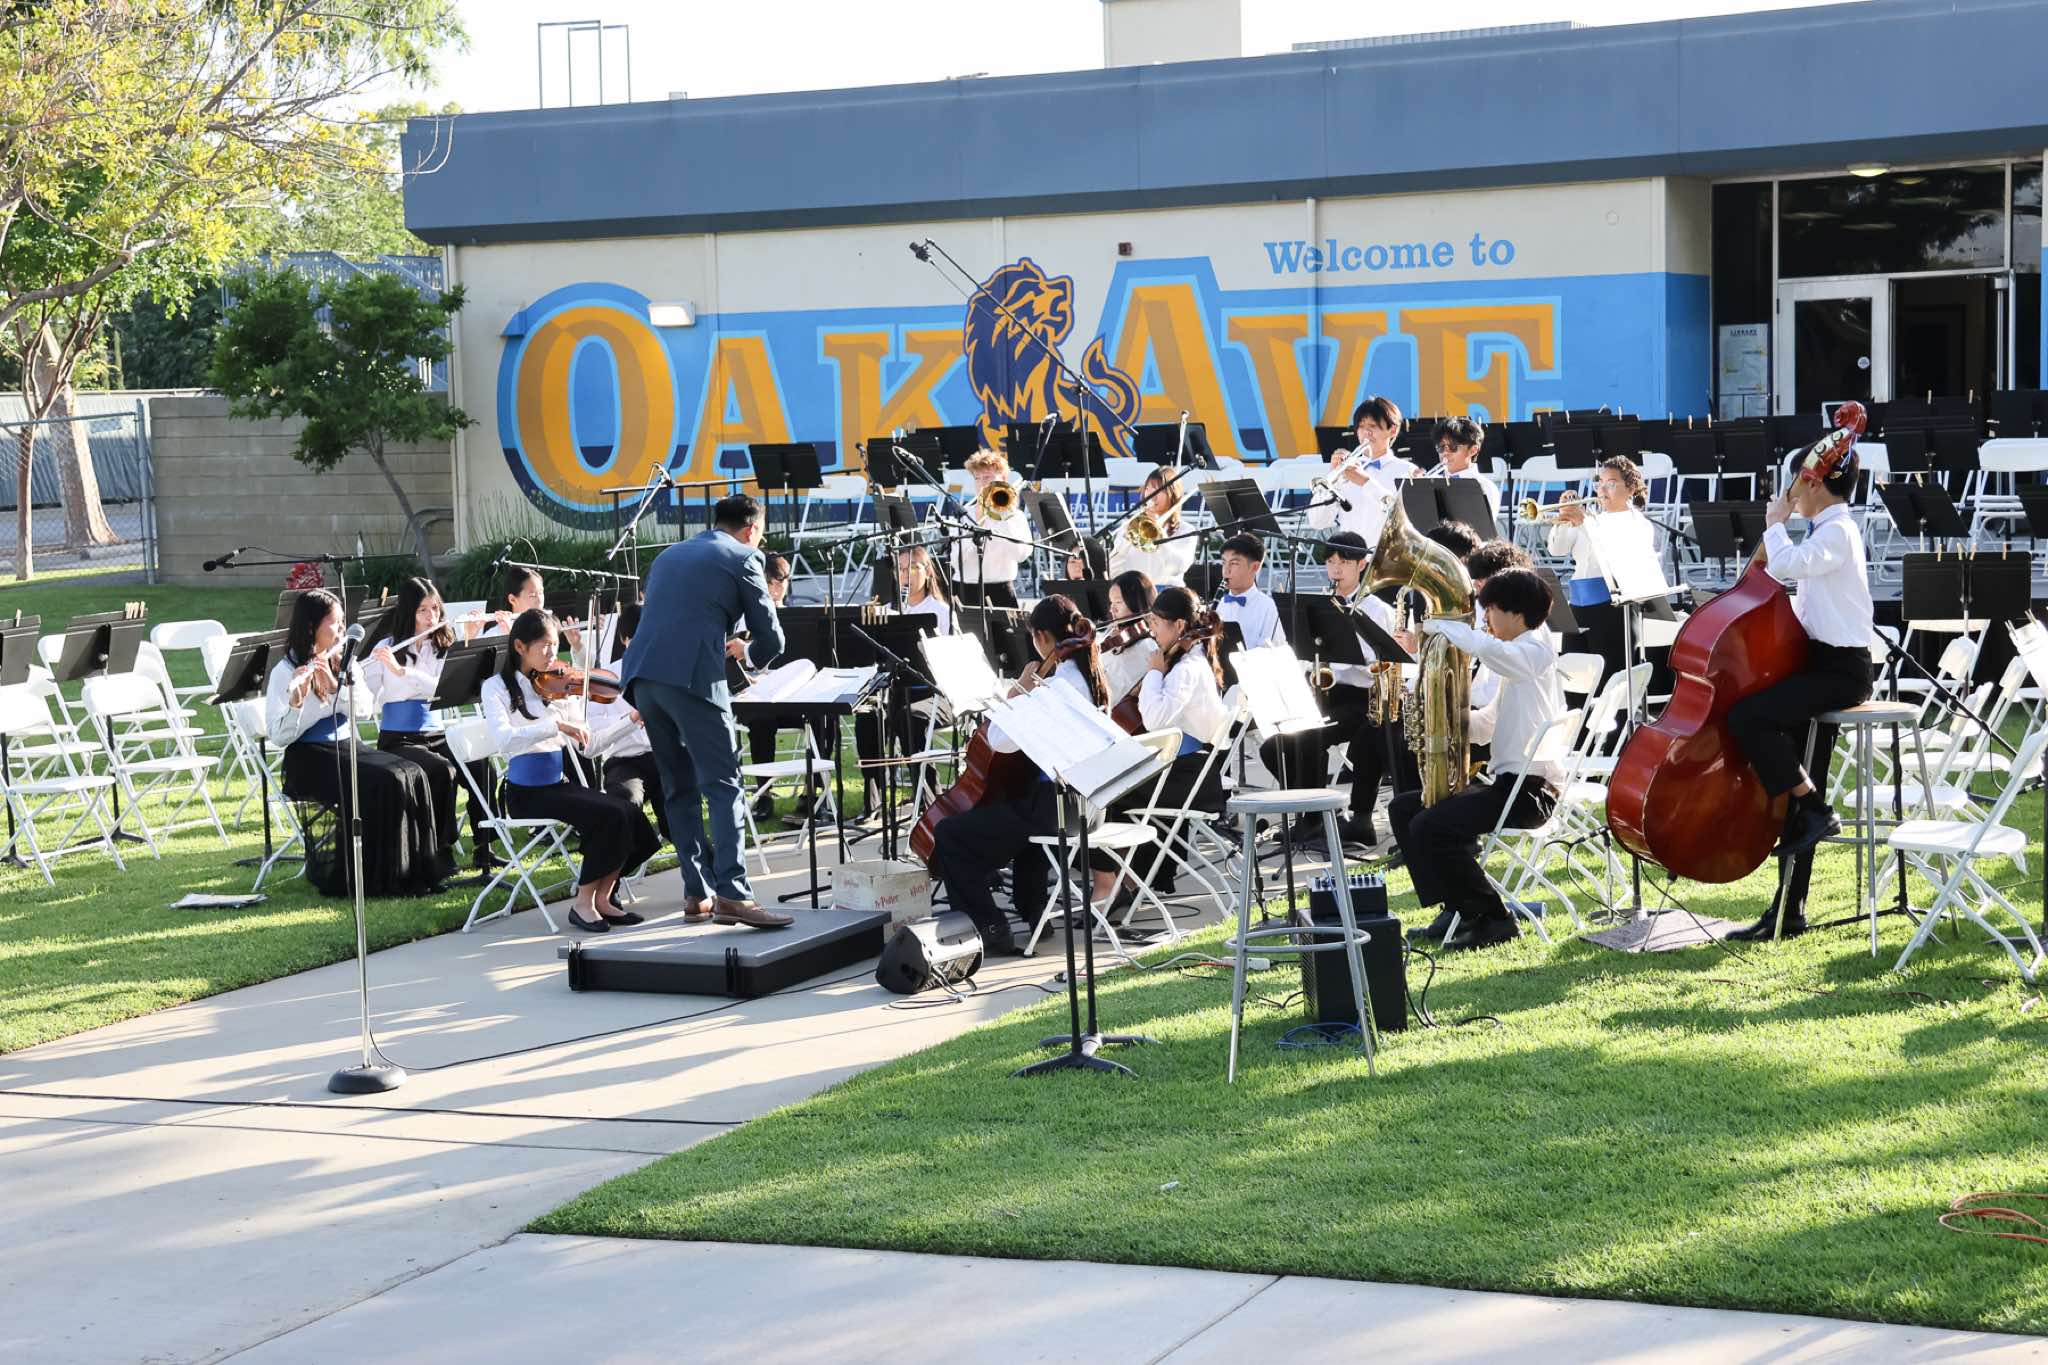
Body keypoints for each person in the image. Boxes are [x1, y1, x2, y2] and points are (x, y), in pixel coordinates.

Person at [619, 493, 793, 930]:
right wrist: (748, 655)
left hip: (643, 679)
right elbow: (773, 639)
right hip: (692, 678)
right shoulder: (745, 557)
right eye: (761, 534)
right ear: (752, 530)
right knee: (723, 784)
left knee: (678, 787)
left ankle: (696, 893)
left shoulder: (669, 555)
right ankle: (733, 894)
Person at [1723, 449, 1872, 942]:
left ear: (1813, 484)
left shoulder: (1837, 531)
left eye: (1794, 485)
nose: (1790, 495)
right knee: (1797, 782)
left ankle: (1816, 808)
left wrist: (1774, 523)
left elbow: (1787, 565)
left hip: (1841, 671)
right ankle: (1789, 910)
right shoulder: (1824, 531)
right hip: (1815, 664)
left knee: (1749, 718)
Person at [1392, 568, 1565, 951]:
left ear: (1515, 612)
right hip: (1512, 787)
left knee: (1430, 825)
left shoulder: (1533, 650)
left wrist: (1442, 627)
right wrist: (1439, 716)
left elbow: (1491, 650)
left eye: (1490, 610)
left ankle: (1494, 919)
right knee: (1405, 809)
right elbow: (1486, 727)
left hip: (1529, 794)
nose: (1486, 619)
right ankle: (1457, 908)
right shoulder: (1520, 655)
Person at [930, 594, 1110, 956]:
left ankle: (989, 926)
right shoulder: (1092, 676)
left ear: (1041, 637)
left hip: (1058, 811)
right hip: (1091, 804)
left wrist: (1018, 691)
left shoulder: (1055, 687)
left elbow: (1000, 740)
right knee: (1021, 811)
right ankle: (1035, 911)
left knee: (949, 833)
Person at [482, 610, 659, 934]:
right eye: (544, 646)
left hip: (557, 783)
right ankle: (582, 903)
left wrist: (631, 720)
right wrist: (555, 725)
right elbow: (504, 739)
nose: (552, 654)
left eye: (555, 645)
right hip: (526, 793)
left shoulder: (560, 688)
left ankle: (603, 898)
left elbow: (590, 747)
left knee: (627, 811)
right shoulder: (496, 688)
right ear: (520, 646)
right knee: (607, 816)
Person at [265, 589, 447, 897]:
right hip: (309, 756)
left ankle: (415, 871)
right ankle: (378, 878)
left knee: (412, 772)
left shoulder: (345, 661)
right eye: (335, 623)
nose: (341, 630)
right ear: (311, 626)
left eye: (342, 622)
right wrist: (298, 704)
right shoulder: (284, 671)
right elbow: (280, 736)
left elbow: (363, 709)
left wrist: (336, 689)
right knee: (386, 780)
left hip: (347, 745)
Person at [1090, 586, 1230, 906]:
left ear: (1179, 626)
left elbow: (1154, 720)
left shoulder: (1187, 668)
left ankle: (1109, 883)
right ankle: (1126, 878)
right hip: (1190, 770)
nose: (1151, 630)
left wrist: (1154, 673)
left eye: (1155, 622)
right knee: (1113, 790)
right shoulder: (1187, 659)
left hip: (1189, 778)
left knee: (1102, 791)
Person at [361, 576, 482, 874]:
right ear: (408, 612)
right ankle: (440, 850)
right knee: (442, 770)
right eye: (423, 610)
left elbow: (443, 688)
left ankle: (485, 847)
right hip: (399, 738)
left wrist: (404, 673)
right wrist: (362, 672)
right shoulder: (387, 647)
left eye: (435, 609)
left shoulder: (444, 645)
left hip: (436, 733)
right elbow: (368, 701)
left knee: (480, 766)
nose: (432, 617)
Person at [1546, 455, 1657, 690]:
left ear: (1630, 489)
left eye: (1611, 483)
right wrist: (1564, 520)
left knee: (1609, 684)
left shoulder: (1637, 523)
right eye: (1600, 483)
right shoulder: (1592, 519)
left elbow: (1613, 556)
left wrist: (1583, 522)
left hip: (1612, 608)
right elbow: (1557, 550)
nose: (1602, 489)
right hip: (1578, 605)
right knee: (1574, 684)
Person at [737, 553, 828, 822]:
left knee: (823, 716)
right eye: (770, 582)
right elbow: (733, 662)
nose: (777, 588)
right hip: (761, 696)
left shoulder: (800, 618)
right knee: (761, 720)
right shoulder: (746, 619)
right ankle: (764, 794)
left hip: (796, 697)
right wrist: (750, 677)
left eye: (783, 582)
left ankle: (813, 792)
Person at [859, 544, 951, 807]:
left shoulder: (940, 611)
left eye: (912, 568)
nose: (905, 574)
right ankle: (873, 799)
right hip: (896, 690)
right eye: (900, 569)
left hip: (933, 692)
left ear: (928, 571)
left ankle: (928, 796)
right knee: (868, 717)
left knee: (910, 718)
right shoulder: (888, 611)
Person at [586, 602, 668, 841]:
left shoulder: (668, 671)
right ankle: (627, 858)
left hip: (665, 756)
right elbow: (592, 738)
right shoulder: (605, 678)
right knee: (624, 803)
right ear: (624, 639)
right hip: (624, 761)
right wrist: (630, 719)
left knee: (679, 808)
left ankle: (705, 861)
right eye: (636, 639)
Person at [1307, 396, 1416, 550]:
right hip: (1349, 557)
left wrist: (1366, 482)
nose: (1366, 432)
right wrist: (1333, 478)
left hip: (1387, 558)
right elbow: (1317, 522)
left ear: (1392, 430)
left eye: (1373, 426)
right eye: (1361, 426)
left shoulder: (1407, 471)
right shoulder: (1345, 469)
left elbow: (1405, 520)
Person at [950, 449, 1031, 608]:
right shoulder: (963, 515)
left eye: (987, 477)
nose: (981, 483)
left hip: (1001, 590)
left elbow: (1021, 554)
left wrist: (1003, 517)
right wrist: (978, 526)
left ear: (1003, 479)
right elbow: (955, 561)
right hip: (966, 589)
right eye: (977, 478)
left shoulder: (1016, 516)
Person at [1099, 569, 1158, 709]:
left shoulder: (1146, 647)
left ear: (1137, 602)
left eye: (1118, 602)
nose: (1112, 609)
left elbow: (1115, 693)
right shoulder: (1113, 634)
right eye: (1111, 602)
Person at [1214, 533, 1284, 649]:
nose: (1226, 570)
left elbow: (1271, 649)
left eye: (1234, 563)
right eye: (1224, 562)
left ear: (1255, 567)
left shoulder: (1267, 606)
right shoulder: (1218, 604)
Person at [1432, 415, 1502, 516]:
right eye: (1441, 447)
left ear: (1473, 450)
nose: (1445, 453)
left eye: (1453, 447)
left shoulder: (1485, 487)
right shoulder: (1430, 483)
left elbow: (1484, 524)